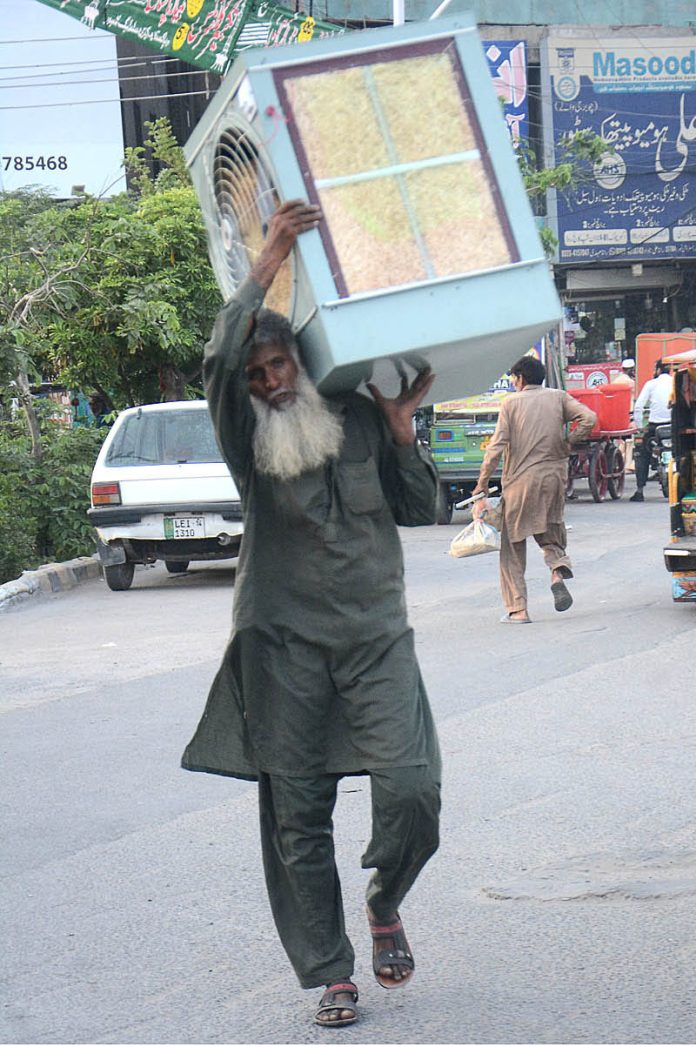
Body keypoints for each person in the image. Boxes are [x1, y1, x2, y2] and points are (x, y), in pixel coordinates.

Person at [181, 200, 442, 1029]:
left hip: (375, 639)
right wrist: (270, 256)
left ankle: (385, 897)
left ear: (300, 357)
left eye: (277, 364)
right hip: (283, 649)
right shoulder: (247, 441)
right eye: (257, 375)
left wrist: (401, 434)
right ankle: (331, 972)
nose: (269, 382)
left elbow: (423, 508)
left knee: (413, 788)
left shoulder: (359, 416)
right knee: (298, 818)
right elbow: (218, 360)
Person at [471, 355, 597, 623]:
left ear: (520, 379)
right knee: (551, 534)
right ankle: (557, 572)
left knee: (512, 546)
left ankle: (518, 609)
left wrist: (482, 484)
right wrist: (568, 442)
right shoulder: (558, 397)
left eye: (513, 378)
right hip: (553, 479)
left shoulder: (511, 403)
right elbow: (589, 417)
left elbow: (495, 448)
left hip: (520, 483)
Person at [630, 359, 673, 502]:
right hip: (674, 426)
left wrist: (639, 426)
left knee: (642, 453)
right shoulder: (675, 382)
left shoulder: (651, 384)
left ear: (658, 370)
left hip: (655, 428)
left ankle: (640, 490)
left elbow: (638, 407)